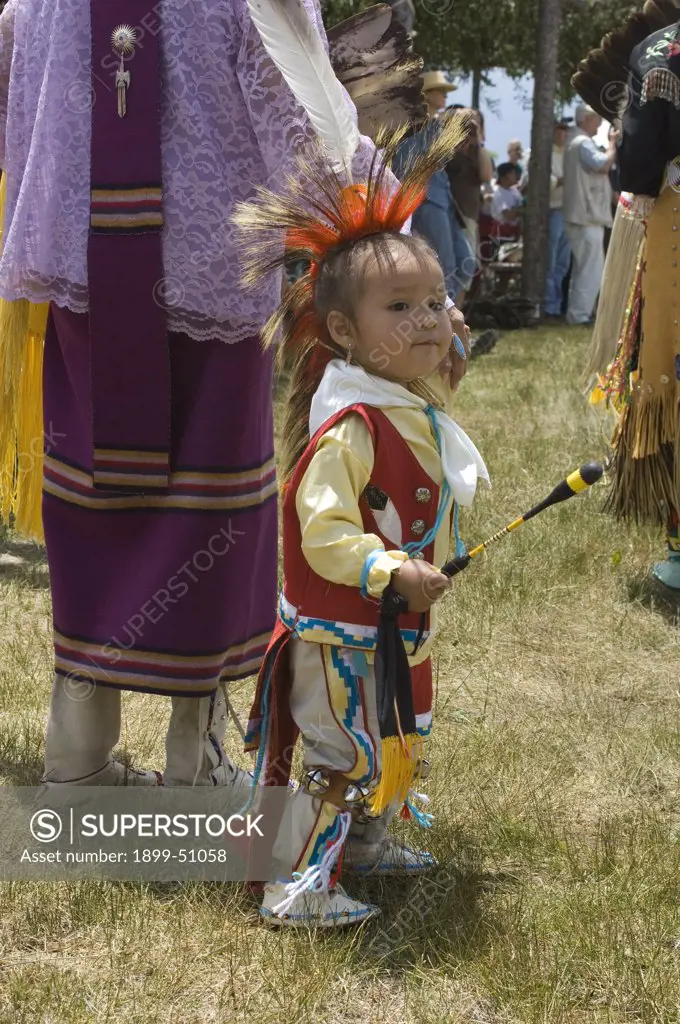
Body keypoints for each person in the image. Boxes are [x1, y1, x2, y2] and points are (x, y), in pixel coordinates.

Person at [0, 0, 384, 788]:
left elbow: (18, 122)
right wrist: (377, 199)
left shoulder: (33, 3)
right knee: (209, 518)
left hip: (83, 280)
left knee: (94, 512)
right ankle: (194, 762)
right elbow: (305, 131)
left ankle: (74, 757)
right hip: (211, 277)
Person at [236, 124, 489, 927]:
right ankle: (297, 887)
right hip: (341, 631)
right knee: (340, 752)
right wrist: (388, 570)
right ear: (343, 332)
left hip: (390, 628)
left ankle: (369, 844)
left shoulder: (394, 398)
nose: (427, 320)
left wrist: (445, 349)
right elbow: (324, 534)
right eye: (400, 308)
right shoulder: (348, 424)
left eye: (433, 302)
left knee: (395, 730)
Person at [576, 13, 680, 590]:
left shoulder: (663, 51)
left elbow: (639, 160)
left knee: (667, 372)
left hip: (675, 221)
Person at [394, 72, 476, 304]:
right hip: (426, 200)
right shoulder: (410, 126)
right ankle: (445, 327)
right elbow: (404, 166)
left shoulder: (434, 127)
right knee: (446, 264)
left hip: (443, 201)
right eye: (440, 91)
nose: (445, 96)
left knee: (465, 261)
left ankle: (447, 321)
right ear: (427, 95)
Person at [562, 105, 617, 325]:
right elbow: (602, 164)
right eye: (596, 119)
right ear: (586, 120)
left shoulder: (577, 142)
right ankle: (580, 316)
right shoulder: (583, 142)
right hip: (586, 218)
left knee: (583, 269)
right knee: (590, 270)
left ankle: (577, 313)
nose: (600, 123)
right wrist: (613, 144)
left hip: (583, 217)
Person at [447, 108, 494, 264]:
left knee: (467, 265)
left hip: (469, 217)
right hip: (448, 214)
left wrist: (478, 140)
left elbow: (486, 175)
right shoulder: (449, 146)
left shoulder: (479, 153)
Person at [543, 119, 572, 319]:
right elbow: (548, 181)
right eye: (559, 130)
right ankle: (549, 305)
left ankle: (557, 304)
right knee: (551, 261)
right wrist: (565, 180)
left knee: (563, 263)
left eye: (565, 131)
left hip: (569, 210)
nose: (562, 134)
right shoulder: (546, 153)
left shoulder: (570, 154)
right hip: (554, 210)